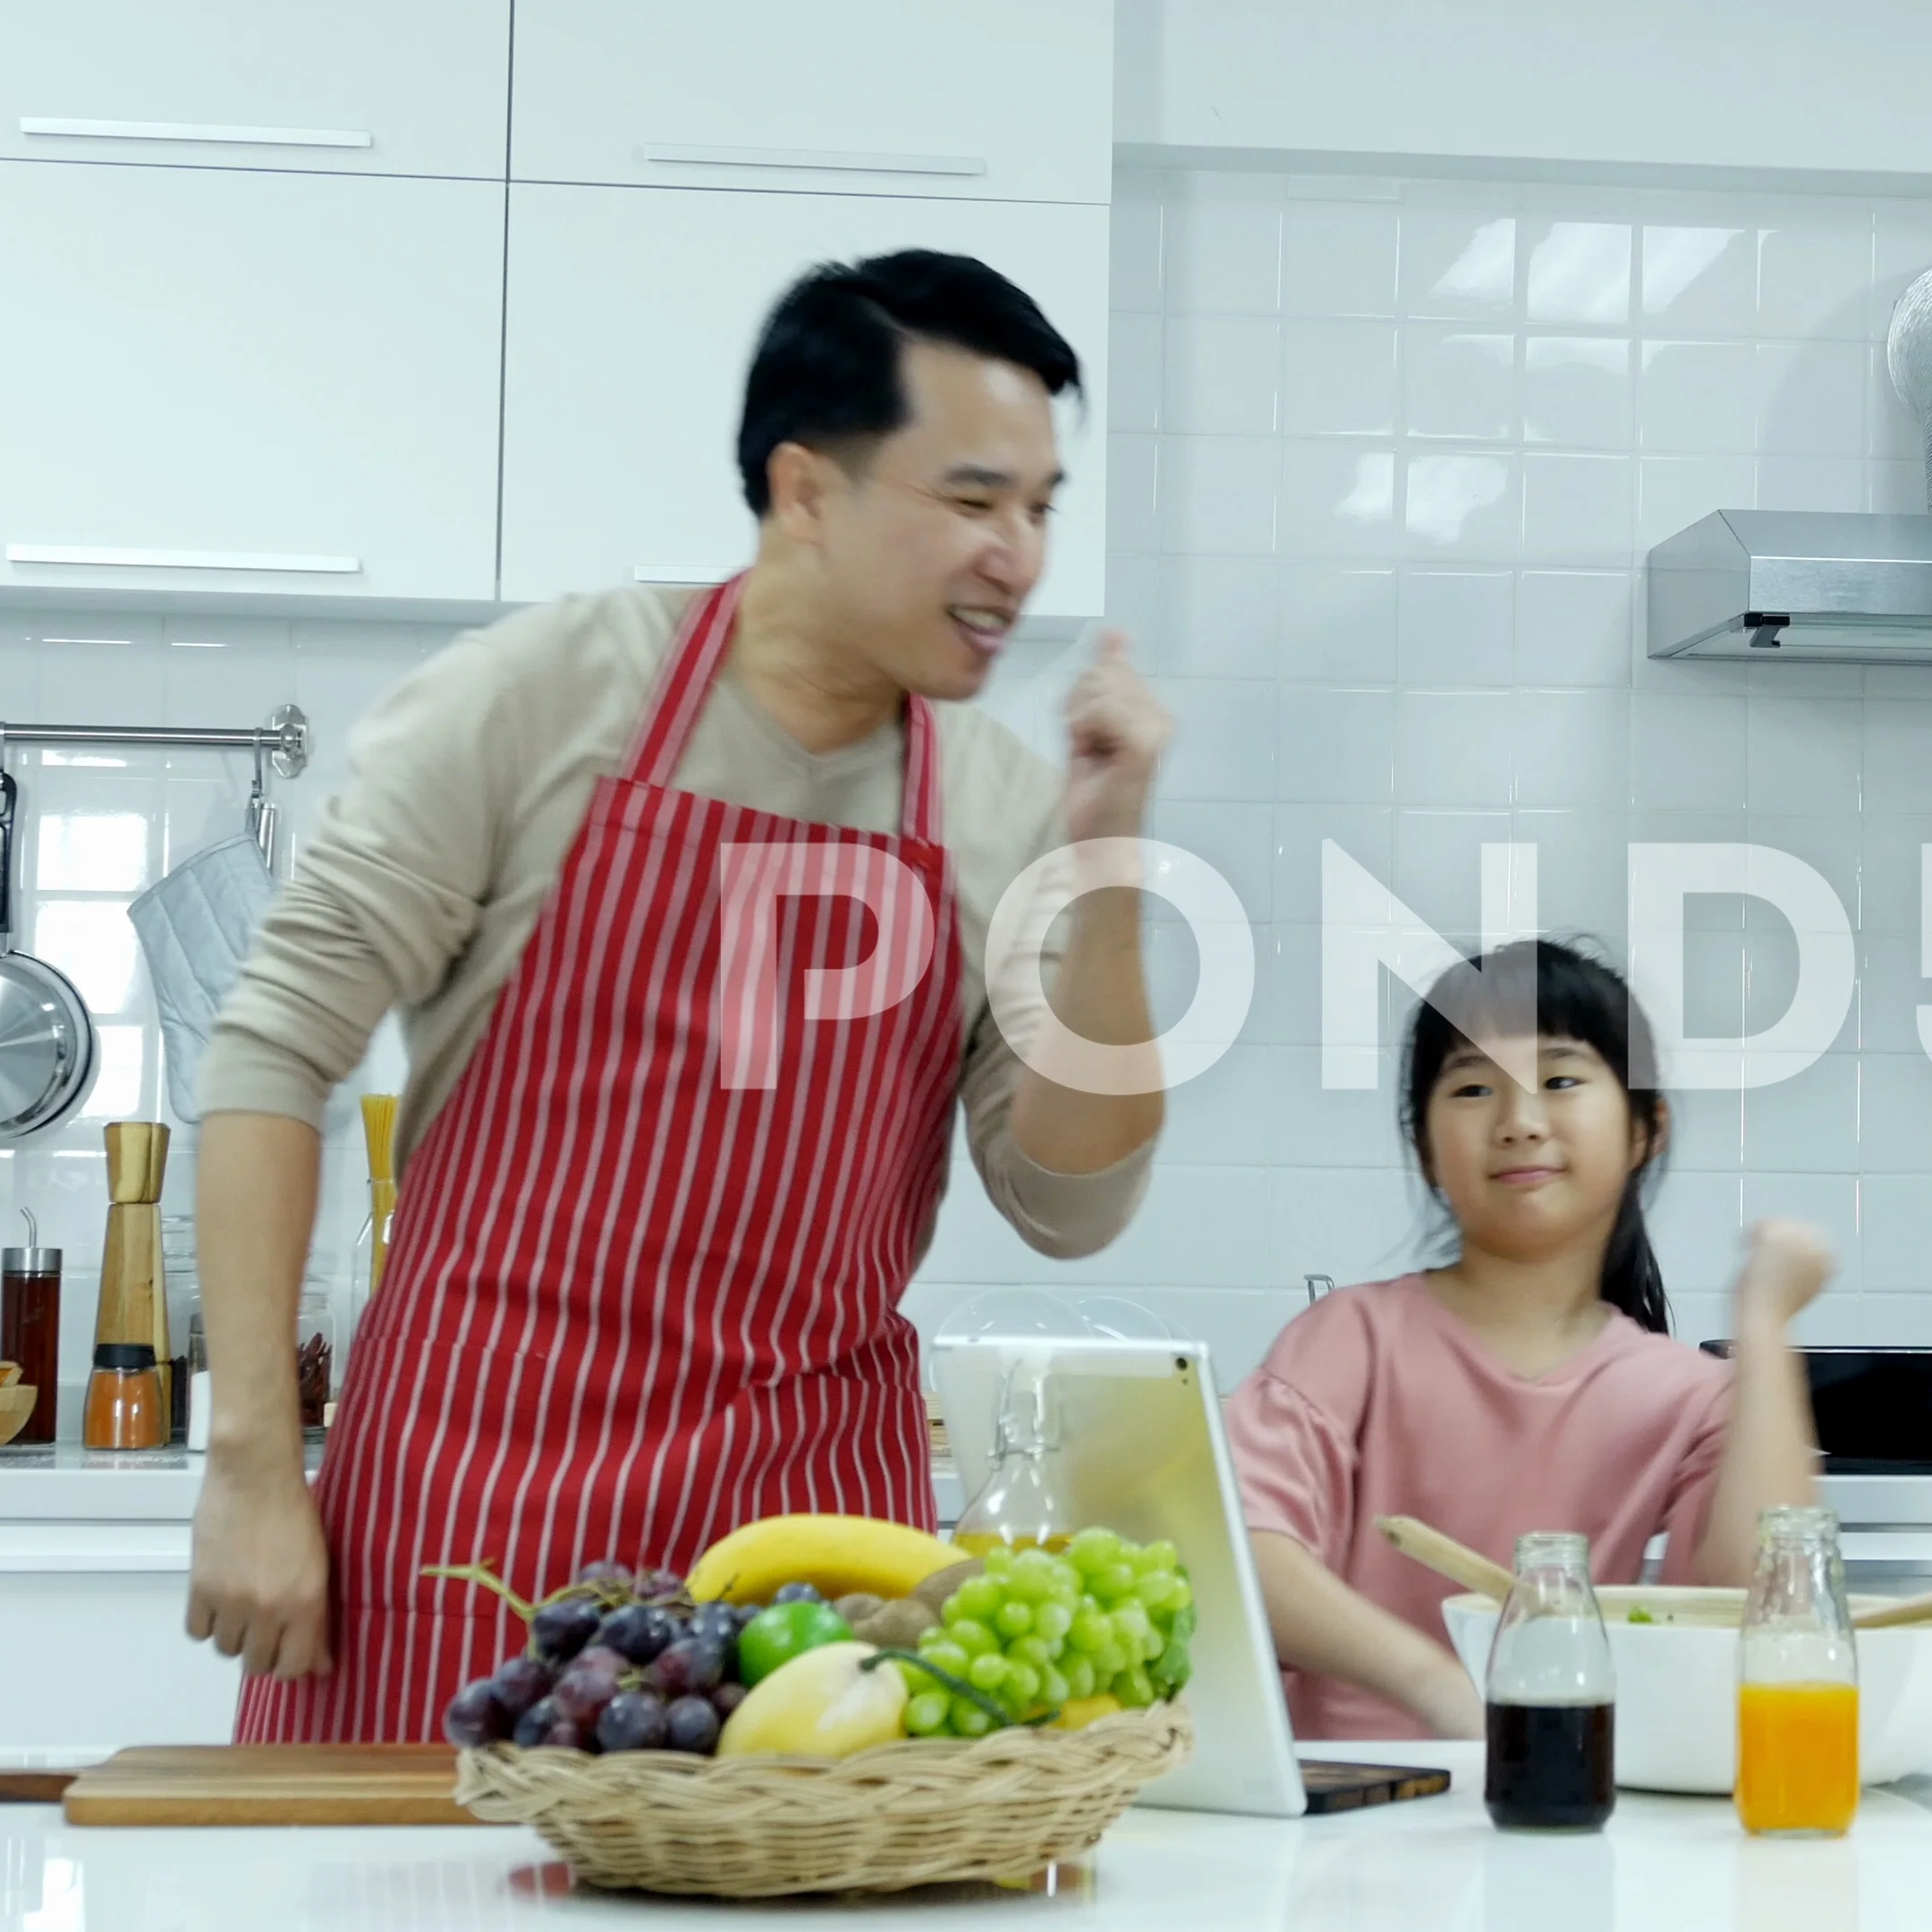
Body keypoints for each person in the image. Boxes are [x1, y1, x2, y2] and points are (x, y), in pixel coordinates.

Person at [184, 251, 1174, 1742]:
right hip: (471, 1512)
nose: (1019, 558)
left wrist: (1105, 864)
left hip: (809, 1565)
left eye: (1042, 508)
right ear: (808, 489)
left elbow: (1068, 1202)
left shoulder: (1003, 806)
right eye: (973, 500)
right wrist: (254, 1461)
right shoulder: (543, 694)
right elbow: (275, 1048)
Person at [1226, 940, 1832, 1740]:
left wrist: (1764, 1326)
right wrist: (1437, 1684)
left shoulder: (1685, 1397)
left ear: (1645, 1129)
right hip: (1349, 1811)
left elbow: (1754, 1600)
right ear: (1425, 1150)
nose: (1518, 1122)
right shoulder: (1348, 1341)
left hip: (1576, 1801)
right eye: (1474, 1087)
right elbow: (1237, 1551)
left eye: (1561, 1079)